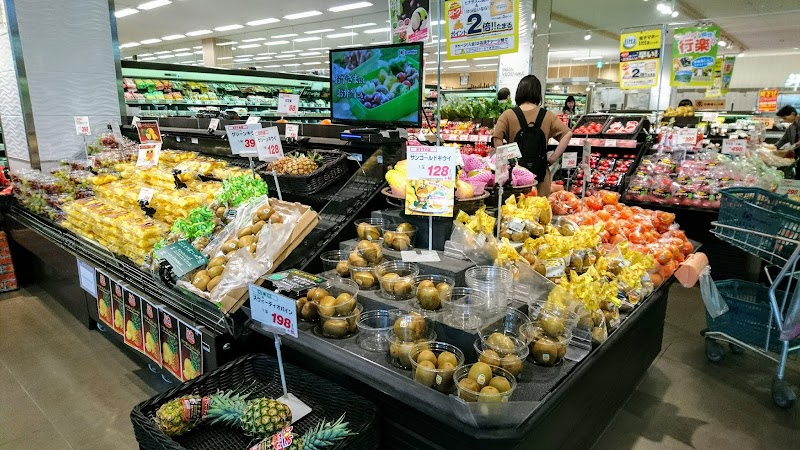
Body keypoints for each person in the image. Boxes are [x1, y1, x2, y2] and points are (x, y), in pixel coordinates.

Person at [492, 75, 572, 197]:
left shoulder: (508, 115)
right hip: (541, 178)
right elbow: (568, 133)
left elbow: (497, 138)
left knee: (512, 212)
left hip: (514, 180)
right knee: (538, 211)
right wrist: (554, 157)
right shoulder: (548, 116)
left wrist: (505, 161)